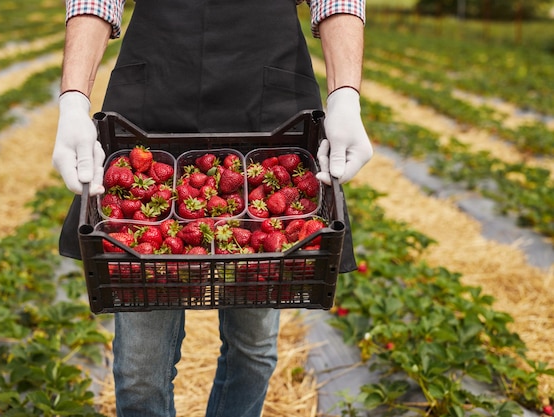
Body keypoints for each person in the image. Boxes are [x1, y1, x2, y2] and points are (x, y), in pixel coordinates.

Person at [52, 0, 373, 416]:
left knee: (253, 348)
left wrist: (346, 94)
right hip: (156, 95)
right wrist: (74, 98)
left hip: (266, 102)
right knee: (140, 367)